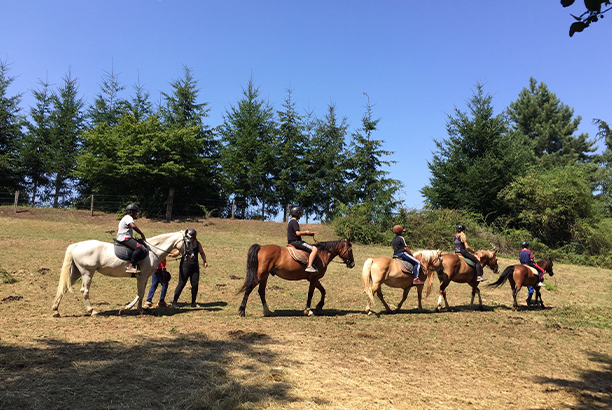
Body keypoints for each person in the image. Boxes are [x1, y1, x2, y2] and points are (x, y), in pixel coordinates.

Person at [171, 228, 208, 308]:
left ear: (194, 237)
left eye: (190, 238)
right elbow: (178, 252)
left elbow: (202, 253)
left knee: (195, 284)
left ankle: (193, 302)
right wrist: (172, 255)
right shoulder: (186, 243)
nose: (189, 239)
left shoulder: (198, 244)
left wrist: (204, 261)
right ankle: (174, 302)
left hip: (195, 267)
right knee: (181, 284)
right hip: (185, 266)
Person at [287, 206, 319, 273]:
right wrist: (306, 232)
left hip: (291, 242)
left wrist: (309, 234)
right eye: (300, 213)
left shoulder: (291, 222)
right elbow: (298, 233)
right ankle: (309, 266)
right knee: (314, 249)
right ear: (296, 214)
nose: (301, 215)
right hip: (296, 242)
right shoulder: (294, 222)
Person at [116, 203, 147, 273]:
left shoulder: (125, 217)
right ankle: (130, 266)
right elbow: (133, 226)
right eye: (136, 212)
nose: (136, 214)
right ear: (131, 212)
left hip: (124, 237)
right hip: (125, 238)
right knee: (139, 247)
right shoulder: (128, 217)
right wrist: (141, 234)